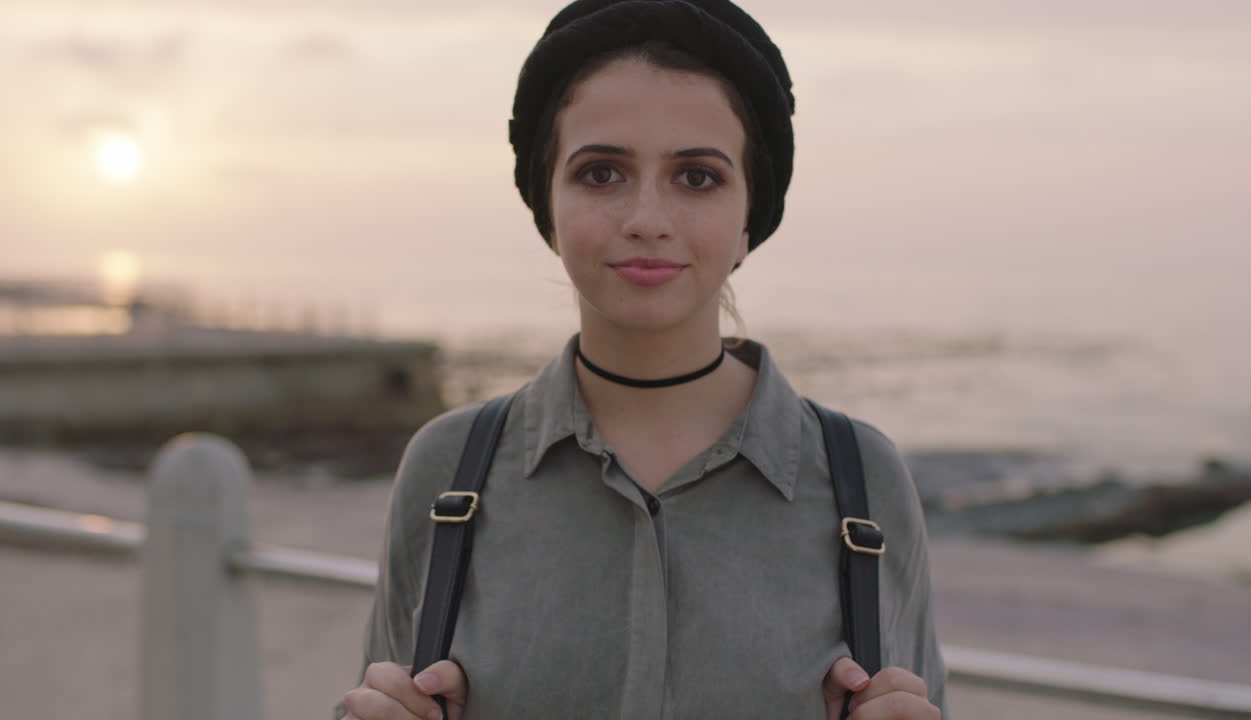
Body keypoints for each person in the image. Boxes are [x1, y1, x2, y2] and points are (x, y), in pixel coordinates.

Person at [340, 0, 946, 718]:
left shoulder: (864, 483)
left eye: (698, 177)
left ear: (751, 213)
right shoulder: (448, 472)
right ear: (548, 205)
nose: (647, 220)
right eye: (601, 174)